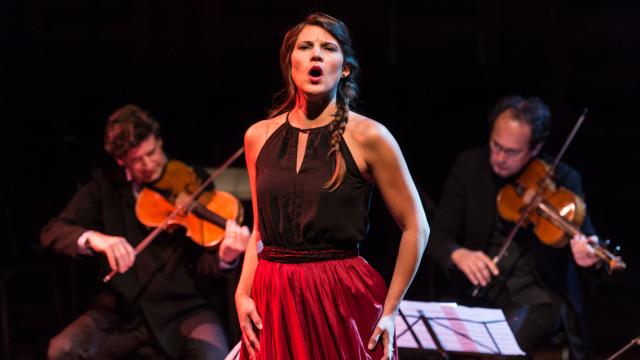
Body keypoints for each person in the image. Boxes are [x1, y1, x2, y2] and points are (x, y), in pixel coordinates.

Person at [234, 12, 429, 360]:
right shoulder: (258, 136)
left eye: (328, 48)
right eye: (306, 46)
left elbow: (417, 227)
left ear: (345, 68)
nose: (316, 55)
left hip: (338, 294)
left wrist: (391, 309)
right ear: (290, 63)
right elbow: (260, 231)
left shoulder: (370, 136)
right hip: (273, 294)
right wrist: (243, 293)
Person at [41, 104, 250, 359]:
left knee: (213, 355)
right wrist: (96, 239)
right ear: (122, 161)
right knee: (61, 350)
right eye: (137, 160)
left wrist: (225, 258)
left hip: (184, 311)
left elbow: (203, 263)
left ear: (160, 141)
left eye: (153, 152)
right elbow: (53, 231)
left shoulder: (191, 179)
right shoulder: (104, 188)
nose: (149, 164)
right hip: (122, 313)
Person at [428, 96, 603, 359]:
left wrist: (587, 257)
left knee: (502, 347)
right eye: (495, 145)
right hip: (478, 293)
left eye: (511, 152)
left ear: (535, 148)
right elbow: (437, 234)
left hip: (538, 300)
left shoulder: (563, 179)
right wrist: (458, 254)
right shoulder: (470, 166)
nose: (498, 158)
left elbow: (588, 241)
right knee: (418, 341)